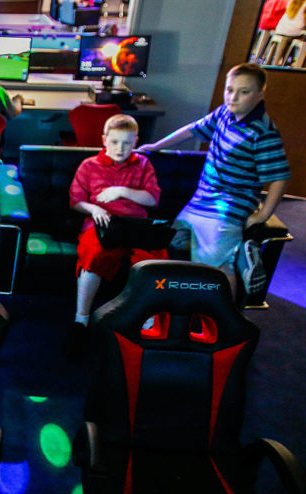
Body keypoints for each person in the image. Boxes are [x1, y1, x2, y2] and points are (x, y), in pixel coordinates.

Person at [139, 63, 290, 293]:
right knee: (175, 240)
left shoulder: (263, 132)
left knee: (216, 267)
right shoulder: (224, 113)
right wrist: (157, 145)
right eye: (230, 90)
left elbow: (280, 177)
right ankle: (237, 251)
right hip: (203, 198)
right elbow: (192, 129)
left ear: (260, 95)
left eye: (244, 92)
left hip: (230, 205)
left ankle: (222, 317)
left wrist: (263, 215)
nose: (234, 97)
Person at [65, 115, 165, 356]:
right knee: (92, 255)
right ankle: (82, 319)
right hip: (103, 224)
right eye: (115, 142)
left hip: (136, 225)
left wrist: (122, 191)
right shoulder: (89, 165)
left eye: (127, 143)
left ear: (136, 142)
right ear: (104, 140)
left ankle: (149, 321)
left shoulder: (143, 164)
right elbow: (75, 201)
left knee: (155, 260)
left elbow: (152, 199)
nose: (120, 149)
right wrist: (94, 208)